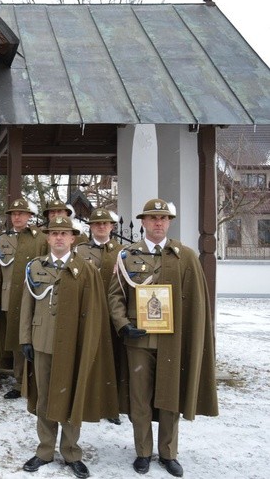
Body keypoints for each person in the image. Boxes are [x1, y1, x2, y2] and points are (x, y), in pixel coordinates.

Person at [108, 199, 218, 477]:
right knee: (140, 398)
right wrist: (123, 325)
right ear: (143, 222)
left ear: (169, 223)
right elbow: (115, 296)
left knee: (170, 398)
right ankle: (143, 452)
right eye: (152, 218)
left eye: (163, 218)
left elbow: (195, 303)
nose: (158, 222)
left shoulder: (185, 256)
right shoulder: (127, 255)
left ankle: (168, 453)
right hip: (139, 341)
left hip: (173, 341)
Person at [19, 216, 118, 479]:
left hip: (72, 346)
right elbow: (27, 306)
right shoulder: (35, 267)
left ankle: (71, 451)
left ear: (74, 238)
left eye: (65, 233)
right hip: (41, 342)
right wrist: (25, 339)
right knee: (44, 399)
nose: (59, 238)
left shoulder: (86, 270)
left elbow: (94, 311)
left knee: (72, 398)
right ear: (48, 238)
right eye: (54, 234)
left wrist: (88, 345)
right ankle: (45, 450)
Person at [0, 197, 47, 399]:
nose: (17, 216)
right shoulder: (2, 240)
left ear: (29, 216)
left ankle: (34, 382)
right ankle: (19, 382)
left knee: (33, 340)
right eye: (14, 213)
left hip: (34, 296)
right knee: (15, 340)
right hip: (8, 299)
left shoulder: (39, 239)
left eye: (21, 213)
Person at [75, 207, 123, 424]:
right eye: (96, 223)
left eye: (105, 223)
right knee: (88, 357)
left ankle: (112, 406)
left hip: (114, 313)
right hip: (88, 313)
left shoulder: (123, 252)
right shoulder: (80, 251)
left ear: (112, 227)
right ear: (90, 227)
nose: (101, 227)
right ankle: (86, 399)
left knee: (113, 360)